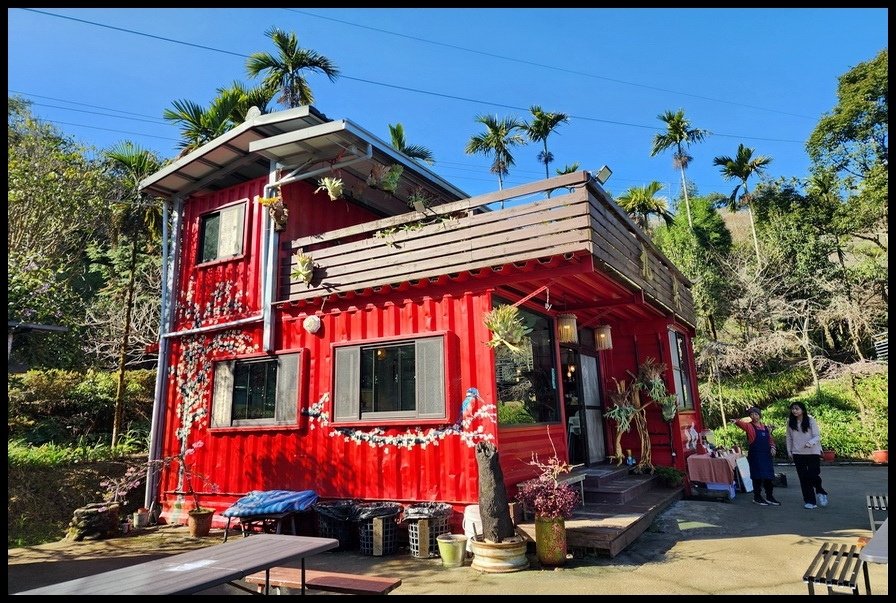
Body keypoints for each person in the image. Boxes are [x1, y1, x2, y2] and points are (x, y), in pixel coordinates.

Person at [786, 401, 829, 509]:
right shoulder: (790, 422)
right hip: (797, 453)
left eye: (797, 409)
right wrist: (789, 451)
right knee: (803, 478)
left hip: (812, 452)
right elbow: (789, 437)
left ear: (802, 410)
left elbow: (817, 436)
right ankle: (810, 501)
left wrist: (810, 443)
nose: (794, 411)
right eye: (793, 409)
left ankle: (820, 491)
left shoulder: (810, 420)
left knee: (813, 474)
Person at [733, 406, 780, 506]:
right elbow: (742, 424)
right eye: (751, 415)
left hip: (766, 455)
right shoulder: (749, 427)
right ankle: (757, 497)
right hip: (755, 455)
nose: (754, 416)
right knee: (757, 477)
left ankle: (770, 497)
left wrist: (773, 447)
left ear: (760, 415)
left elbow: (770, 439)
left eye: (756, 414)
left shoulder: (765, 427)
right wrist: (736, 421)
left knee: (768, 476)